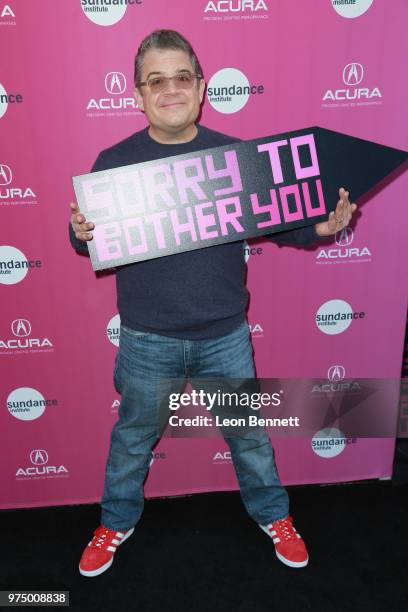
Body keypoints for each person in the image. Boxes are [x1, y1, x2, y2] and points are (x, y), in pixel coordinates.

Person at [69, 30, 357, 578]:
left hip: (225, 337)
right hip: (146, 339)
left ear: (201, 89)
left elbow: (280, 221)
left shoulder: (232, 158)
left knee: (249, 438)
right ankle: (115, 521)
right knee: (132, 440)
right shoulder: (113, 163)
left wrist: (320, 227)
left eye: (182, 78)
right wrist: (79, 229)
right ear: (138, 94)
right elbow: (86, 238)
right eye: (157, 80)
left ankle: (275, 515)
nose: (171, 89)